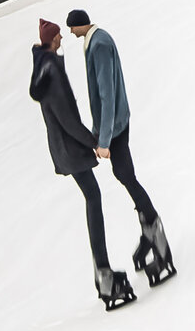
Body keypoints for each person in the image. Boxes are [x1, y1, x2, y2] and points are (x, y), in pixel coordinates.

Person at [29, 18, 137, 310]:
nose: (63, 38)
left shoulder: (45, 65)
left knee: (93, 196)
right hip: (70, 147)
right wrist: (94, 142)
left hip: (64, 147)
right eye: (58, 36)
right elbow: (67, 118)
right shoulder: (51, 72)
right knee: (93, 197)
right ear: (51, 41)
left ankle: (102, 271)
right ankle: (103, 273)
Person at [67, 7, 175, 286]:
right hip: (114, 123)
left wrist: (103, 140)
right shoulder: (98, 39)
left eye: (72, 28)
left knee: (126, 174)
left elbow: (106, 93)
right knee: (124, 174)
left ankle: (155, 230)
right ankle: (150, 229)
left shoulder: (99, 45)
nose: (71, 33)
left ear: (80, 26)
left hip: (115, 126)